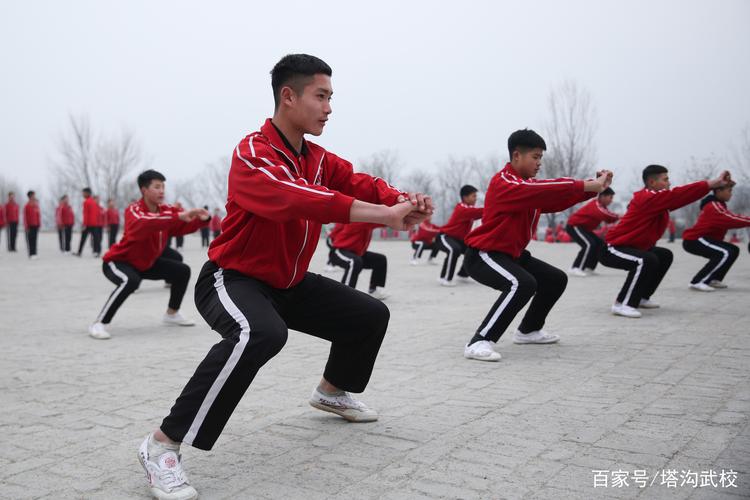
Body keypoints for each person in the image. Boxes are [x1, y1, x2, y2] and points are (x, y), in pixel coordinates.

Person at [136, 54, 432, 500]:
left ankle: (332, 392)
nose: (329, 108)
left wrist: (403, 200)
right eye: (321, 96)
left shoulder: (317, 158)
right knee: (260, 333)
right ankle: (161, 446)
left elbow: (356, 181)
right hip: (232, 280)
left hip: (288, 284)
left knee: (369, 314)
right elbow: (299, 199)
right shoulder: (252, 153)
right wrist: (384, 214)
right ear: (288, 96)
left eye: (332, 97)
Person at [460, 129, 611, 362]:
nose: (539, 163)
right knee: (521, 283)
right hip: (484, 255)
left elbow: (554, 199)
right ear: (516, 155)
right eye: (535, 157)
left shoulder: (527, 186)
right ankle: (479, 341)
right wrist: (586, 185)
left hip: (511, 255)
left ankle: (529, 330)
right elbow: (544, 189)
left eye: (541, 157)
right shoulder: (505, 183)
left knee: (555, 278)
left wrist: (592, 189)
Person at [89, 170, 210, 340]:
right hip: (118, 262)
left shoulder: (166, 210)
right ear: (144, 190)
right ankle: (99, 323)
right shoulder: (134, 210)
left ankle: (171, 314)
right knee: (130, 281)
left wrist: (202, 220)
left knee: (182, 270)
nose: (162, 191)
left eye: (163, 187)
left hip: (147, 263)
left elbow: (179, 227)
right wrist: (176, 216)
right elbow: (144, 223)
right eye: (157, 187)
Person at [600, 165, 733, 318]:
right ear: (652, 182)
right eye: (665, 179)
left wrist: (708, 188)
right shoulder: (647, 197)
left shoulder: (658, 201)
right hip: (612, 248)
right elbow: (678, 195)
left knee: (664, 255)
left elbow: (684, 197)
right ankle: (622, 304)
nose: (669, 183)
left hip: (632, 247)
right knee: (645, 260)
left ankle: (641, 297)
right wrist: (711, 184)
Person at [682, 182, 749, 290]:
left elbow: (727, 219)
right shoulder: (713, 205)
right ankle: (697, 282)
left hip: (703, 239)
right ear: (718, 191)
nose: (731, 194)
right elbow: (729, 219)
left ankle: (713, 279)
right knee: (725, 253)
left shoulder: (719, 204)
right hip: (695, 239)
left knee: (733, 249)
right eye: (729, 191)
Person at [565, 187, 619, 276]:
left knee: (599, 244)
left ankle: (588, 268)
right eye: (610, 197)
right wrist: (620, 216)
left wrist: (616, 217)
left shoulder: (602, 207)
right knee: (589, 244)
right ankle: (576, 268)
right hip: (574, 226)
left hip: (583, 228)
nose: (611, 201)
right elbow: (605, 215)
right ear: (602, 196)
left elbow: (609, 219)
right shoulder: (596, 205)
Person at [435, 185, 483, 286]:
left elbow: (482, 215)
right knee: (454, 249)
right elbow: (480, 212)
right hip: (444, 237)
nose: (476, 198)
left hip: (459, 240)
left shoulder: (470, 209)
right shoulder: (462, 208)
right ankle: (445, 278)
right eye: (473, 196)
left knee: (475, 250)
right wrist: (494, 206)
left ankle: (462, 274)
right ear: (465, 197)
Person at [329, 222, 388, 299]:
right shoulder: (359, 220)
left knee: (380, 259)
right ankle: (344, 295)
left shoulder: (367, 219)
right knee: (354, 262)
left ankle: (373, 290)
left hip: (357, 253)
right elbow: (381, 222)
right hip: (339, 251)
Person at [77, 188, 101, 257]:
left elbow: (85, 214)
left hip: (88, 223)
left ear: (88, 193)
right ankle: (96, 252)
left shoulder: (86, 202)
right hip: (95, 223)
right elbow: (97, 213)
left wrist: (84, 224)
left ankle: (79, 252)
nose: (83, 194)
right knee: (96, 238)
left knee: (83, 238)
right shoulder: (94, 202)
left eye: (84, 193)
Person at [24, 190, 41, 259]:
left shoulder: (36, 206)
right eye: (33, 195)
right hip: (30, 225)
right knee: (30, 240)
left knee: (35, 239)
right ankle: (31, 254)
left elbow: (38, 215)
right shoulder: (27, 206)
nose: (34, 196)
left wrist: (39, 223)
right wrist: (26, 226)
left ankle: (35, 253)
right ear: (30, 196)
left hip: (36, 225)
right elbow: (25, 217)